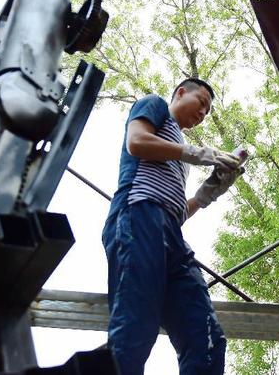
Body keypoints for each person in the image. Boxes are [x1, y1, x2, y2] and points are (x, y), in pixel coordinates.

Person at [102, 78, 243, 375]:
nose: (203, 112)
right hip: (138, 216)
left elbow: (176, 213)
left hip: (170, 233)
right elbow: (137, 142)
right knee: (135, 328)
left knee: (207, 339)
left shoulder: (180, 159)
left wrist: (207, 193)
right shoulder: (154, 106)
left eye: (207, 110)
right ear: (180, 93)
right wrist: (203, 153)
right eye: (201, 102)